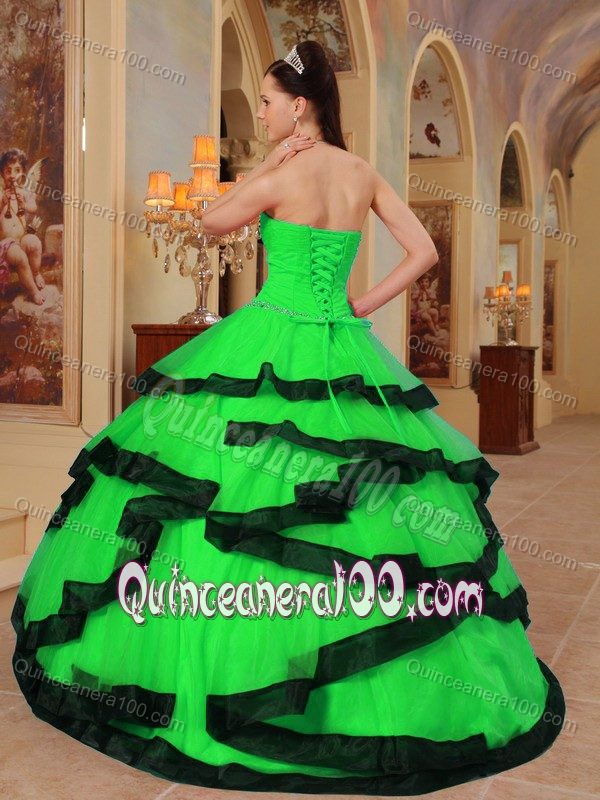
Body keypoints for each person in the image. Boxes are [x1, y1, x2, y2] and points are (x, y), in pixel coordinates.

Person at [10, 39, 565, 796]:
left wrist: (268, 167)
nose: (264, 113)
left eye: (269, 102)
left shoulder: (283, 173)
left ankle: (235, 666)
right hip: (342, 340)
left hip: (273, 335)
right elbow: (422, 252)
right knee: (365, 502)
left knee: (235, 498)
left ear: (299, 105)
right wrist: (361, 305)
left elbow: (211, 222)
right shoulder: (362, 173)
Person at [0, 148, 46, 304]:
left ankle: (36, 272)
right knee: (19, 256)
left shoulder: (24, 192)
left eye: (17, 170)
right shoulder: (1, 194)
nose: (13, 175)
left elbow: (33, 208)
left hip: (21, 240)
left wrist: (24, 204)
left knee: (34, 242)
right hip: (6, 245)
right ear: (2, 174)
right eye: (8, 171)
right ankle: (33, 291)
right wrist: (3, 203)